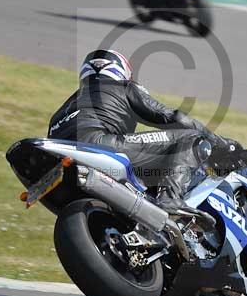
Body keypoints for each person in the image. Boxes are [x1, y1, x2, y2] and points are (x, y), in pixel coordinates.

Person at [48, 49, 231, 217]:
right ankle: (170, 199)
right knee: (192, 138)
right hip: (97, 144)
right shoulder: (123, 87)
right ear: (122, 71)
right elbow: (172, 117)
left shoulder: (65, 106)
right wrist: (219, 143)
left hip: (60, 160)